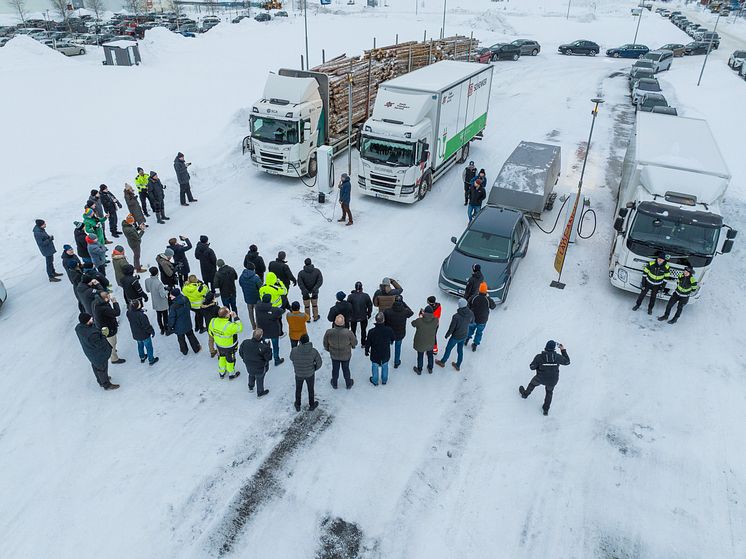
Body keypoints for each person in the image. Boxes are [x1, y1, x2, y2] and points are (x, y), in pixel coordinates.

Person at [519, 340, 571, 416]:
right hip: (552, 380)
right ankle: (546, 410)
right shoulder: (557, 357)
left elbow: (532, 367)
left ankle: (525, 394)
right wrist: (562, 350)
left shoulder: (539, 357)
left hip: (540, 378)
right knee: (549, 392)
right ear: (554, 349)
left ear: (545, 347)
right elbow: (567, 362)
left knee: (532, 384)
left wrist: (537, 365)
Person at [75, 313, 119, 390]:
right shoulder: (92, 334)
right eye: (90, 319)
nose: (92, 319)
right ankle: (106, 384)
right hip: (99, 355)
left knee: (95, 367)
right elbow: (100, 344)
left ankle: (100, 380)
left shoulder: (79, 328)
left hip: (90, 353)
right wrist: (104, 334)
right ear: (87, 322)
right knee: (102, 369)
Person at [435, 299, 473, 372]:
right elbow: (472, 321)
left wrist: (447, 334)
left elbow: (452, 328)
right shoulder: (470, 313)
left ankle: (442, 362)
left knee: (448, 349)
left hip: (456, 336)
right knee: (460, 350)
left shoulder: (456, 316)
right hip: (464, 334)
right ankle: (458, 365)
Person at [91, 290, 126, 365]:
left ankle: (112, 350)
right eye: (108, 296)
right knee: (112, 342)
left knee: (110, 341)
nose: (110, 297)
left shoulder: (96, 302)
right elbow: (117, 313)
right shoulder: (104, 308)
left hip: (102, 326)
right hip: (108, 328)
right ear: (105, 299)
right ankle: (114, 358)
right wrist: (115, 303)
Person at [208, 307, 243, 380]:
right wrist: (235, 317)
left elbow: (210, 333)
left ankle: (221, 373)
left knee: (221, 358)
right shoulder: (229, 326)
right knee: (230, 360)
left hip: (219, 345)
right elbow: (240, 328)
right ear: (227, 315)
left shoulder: (213, 321)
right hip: (229, 346)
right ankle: (231, 374)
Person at [323, 314, 357, 389]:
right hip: (346, 355)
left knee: (335, 369)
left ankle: (334, 383)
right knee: (346, 369)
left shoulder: (329, 332)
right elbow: (355, 342)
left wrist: (328, 349)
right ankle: (348, 383)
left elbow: (325, 343)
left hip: (334, 355)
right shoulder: (348, 333)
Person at [290, 334, 322, 411]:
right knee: (311, 389)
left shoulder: (294, 350)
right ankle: (311, 405)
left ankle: (297, 404)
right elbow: (319, 363)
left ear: (300, 341)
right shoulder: (314, 351)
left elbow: (291, 358)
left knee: (298, 389)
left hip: (298, 374)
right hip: (310, 374)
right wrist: (314, 369)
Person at [239, 329, 273, 397]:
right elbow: (268, 358)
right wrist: (268, 347)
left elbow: (241, 352)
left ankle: (250, 387)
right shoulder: (263, 347)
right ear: (261, 337)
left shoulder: (245, 342)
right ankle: (260, 392)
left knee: (251, 374)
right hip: (260, 367)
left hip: (249, 365)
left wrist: (245, 359)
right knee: (259, 378)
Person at [167, 288, 202, 355]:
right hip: (187, 322)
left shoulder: (173, 306)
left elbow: (172, 318)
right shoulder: (185, 299)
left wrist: (170, 326)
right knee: (191, 335)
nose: (169, 296)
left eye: (171, 295)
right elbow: (189, 307)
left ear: (175, 296)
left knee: (181, 339)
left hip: (178, 326)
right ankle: (196, 348)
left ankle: (184, 351)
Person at [383, 295, 414, 369]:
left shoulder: (388, 311)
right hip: (400, 333)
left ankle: (385, 360)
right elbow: (411, 312)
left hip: (390, 333)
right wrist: (403, 303)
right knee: (398, 347)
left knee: (387, 347)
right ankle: (396, 362)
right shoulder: (405, 311)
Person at [365, 312, 395, 386]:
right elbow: (393, 338)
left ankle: (375, 380)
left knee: (375, 366)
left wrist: (366, 351)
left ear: (376, 320)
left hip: (375, 353)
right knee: (385, 366)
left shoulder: (371, 332)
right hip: (385, 352)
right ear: (384, 320)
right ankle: (384, 380)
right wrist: (391, 341)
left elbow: (368, 342)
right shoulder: (389, 330)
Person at [126, 299, 159, 366]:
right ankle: (151, 359)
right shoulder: (142, 316)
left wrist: (140, 311)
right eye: (139, 304)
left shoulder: (128, 313)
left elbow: (134, 314)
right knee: (149, 347)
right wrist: (152, 331)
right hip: (144, 335)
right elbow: (146, 326)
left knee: (140, 345)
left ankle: (142, 357)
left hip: (136, 334)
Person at [256, 293, 285, 366]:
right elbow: (282, 311)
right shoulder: (274, 310)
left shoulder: (257, 308)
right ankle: (276, 360)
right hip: (273, 332)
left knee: (264, 346)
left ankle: (265, 359)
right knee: (275, 347)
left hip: (262, 331)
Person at [466, 282, 496, 351]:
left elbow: (468, 305)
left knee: (470, 329)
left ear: (479, 290)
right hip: (483, 320)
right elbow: (493, 306)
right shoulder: (488, 300)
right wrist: (488, 297)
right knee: (479, 332)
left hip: (473, 319)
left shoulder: (474, 297)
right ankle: (475, 345)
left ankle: (466, 339)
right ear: (486, 291)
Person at [411, 305, 439, 375]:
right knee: (430, 355)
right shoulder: (436, 320)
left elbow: (413, 324)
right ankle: (430, 368)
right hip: (430, 342)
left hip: (421, 342)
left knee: (420, 356)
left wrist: (421, 316)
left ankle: (419, 369)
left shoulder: (419, 321)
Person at [348, 281, 372, 354]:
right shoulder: (366, 295)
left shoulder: (351, 296)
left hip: (353, 316)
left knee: (353, 330)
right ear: (362, 288)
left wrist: (349, 315)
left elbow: (348, 306)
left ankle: (353, 343)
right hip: (363, 316)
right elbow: (370, 305)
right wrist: (369, 313)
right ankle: (363, 343)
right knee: (363, 330)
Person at [144, 266, 169, 334]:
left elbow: (148, 290)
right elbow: (163, 295)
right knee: (165, 316)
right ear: (157, 273)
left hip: (155, 301)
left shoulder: (147, 280)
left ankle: (162, 329)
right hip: (162, 302)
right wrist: (167, 290)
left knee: (159, 316)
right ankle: (167, 329)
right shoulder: (159, 283)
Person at [239, 262, 263, 329]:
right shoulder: (256, 278)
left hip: (247, 297)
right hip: (256, 298)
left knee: (250, 312)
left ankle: (253, 325)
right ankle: (258, 326)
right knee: (257, 313)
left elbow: (241, 284)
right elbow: (261, 287)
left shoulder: (242, 276)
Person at [202, 291, 220, 358]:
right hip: (216, 325)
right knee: (218, 340)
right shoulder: (216, 308)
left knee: (211, 339)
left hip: (208, 325)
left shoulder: (203, 307)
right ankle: (219, 353)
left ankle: (212, 351)